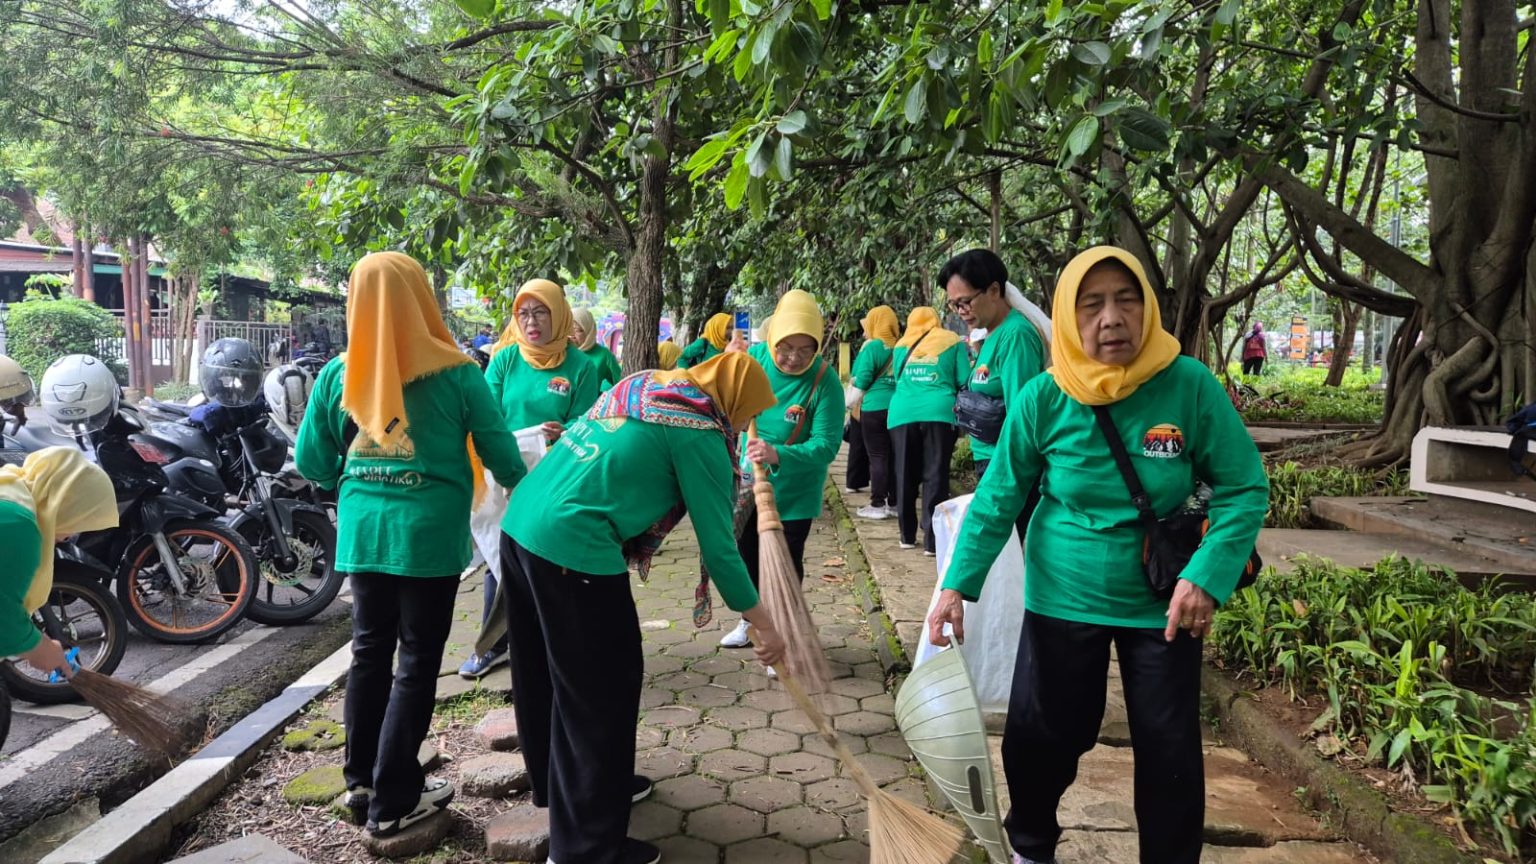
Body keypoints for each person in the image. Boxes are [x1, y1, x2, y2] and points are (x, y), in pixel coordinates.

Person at [927, 246, 1268, 864]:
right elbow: (999, 496)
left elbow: (1245, 486)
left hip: (1165, 600)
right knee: (1044, 735)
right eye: (1091, 305)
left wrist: (1207, 576)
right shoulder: (1044, 397)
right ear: (1066, 317)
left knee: (1168, 750)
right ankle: (1031, 843)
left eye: (1126, 299)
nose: (1111, 318)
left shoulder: (1188, 384)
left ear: (1147, 307)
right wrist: (956, 587)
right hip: (1064, 592)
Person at [500, 352, 787, 864]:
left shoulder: (649, 385)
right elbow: (720, 547)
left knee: (545, 672)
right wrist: (762, 622)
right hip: (573, 548)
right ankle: (585, 847)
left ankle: (568, 789)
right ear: (733, 398)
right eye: (747, 414)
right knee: (602, 690)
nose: (743, 425)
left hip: (522, 524)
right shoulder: (697, 427)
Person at [295, 251, 527, 839]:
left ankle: (361, 781)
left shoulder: (338, 374)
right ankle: (395, 798)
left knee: (369, 652)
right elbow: (503, 458)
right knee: (417, 661)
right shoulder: (459, 373)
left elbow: (312, 463)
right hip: (428, 538)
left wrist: (361, 473)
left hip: (364, 534)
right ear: (421, 298)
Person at [460, 279, 600, 679]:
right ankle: (493, 646)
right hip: (504, 474)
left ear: (558, 315)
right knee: (499, 557)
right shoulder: (505, 359)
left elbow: (590, 422)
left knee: (552, 558)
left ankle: (559, 643)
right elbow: (486, 415)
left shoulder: (581, 366)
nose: (531, 321)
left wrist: (564, 430)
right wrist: (512, 446)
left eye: (540, 312)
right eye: (523, 313)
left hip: (556, 475)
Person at [719, 290, 844, 650]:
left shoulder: (825, 383)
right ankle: (750, 622)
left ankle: (784, 632)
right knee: (746, 554)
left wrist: (778, 454)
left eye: (805, 349)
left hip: (794, 492)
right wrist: (728, 363)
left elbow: (826, 446)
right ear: (772, 338)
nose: (793, 358)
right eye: (786, 347)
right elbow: (720, 390)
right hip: (748, 482)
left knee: (785, 565)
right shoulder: (753, 360)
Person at [0, 447, 118, 680]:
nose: (70, 535)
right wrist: (38, 648)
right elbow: (4, 616)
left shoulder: (9, 493)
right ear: (62, 502)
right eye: (78, 519)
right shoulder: (16, 523)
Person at [887, 306, 968, 556]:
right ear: (936, 320)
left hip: (902, 413)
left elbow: (896, 379)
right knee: (936, 475)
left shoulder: (901, 344)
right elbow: (963, 378)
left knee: (904, 473)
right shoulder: (952, 341)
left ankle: (906, 536)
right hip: (939, 413)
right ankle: (933, 542)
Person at [846, 306, 901, 520]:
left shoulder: (872, 347)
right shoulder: (902, 346)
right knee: (896, 457)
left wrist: (847, 403)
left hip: (874, 408)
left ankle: (878, 504)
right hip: (897, 408)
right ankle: (895, 503)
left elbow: (862, 379)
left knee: (878, 457)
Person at [571, 308, 624, 388]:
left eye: (577, 330)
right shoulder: (560, 352)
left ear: (589, 332)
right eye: (568, 329)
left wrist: (601, 394)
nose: (571, 334)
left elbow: (621, 384)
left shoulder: (603, 355)